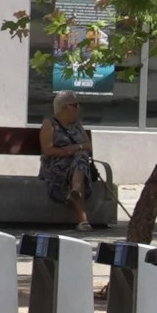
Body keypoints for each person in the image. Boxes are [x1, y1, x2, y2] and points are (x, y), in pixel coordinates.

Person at [37, 90, 95, 227]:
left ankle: (76, 194)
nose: (78, 108)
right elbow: (48, 150)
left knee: (80, 159)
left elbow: (90, 147)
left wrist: (74, 149)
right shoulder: (49, 124)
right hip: (55, 166)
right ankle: (81, 214)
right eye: (75, 105)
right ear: (64, 107)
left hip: (76, 165)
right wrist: (74, 149)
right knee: (80, 158)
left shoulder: (78, 126)